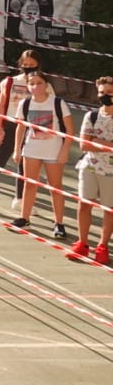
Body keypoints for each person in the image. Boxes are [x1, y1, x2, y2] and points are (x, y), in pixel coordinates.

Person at [0, 50, 47, 212]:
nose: (28, 68)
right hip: (10, 125)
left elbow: (47, 107)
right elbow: (0, 106)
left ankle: (20, 199)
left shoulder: (44, 83)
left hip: (30, 129)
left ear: (38, 65)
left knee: (24, 165)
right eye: (25, 65)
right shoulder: (10, 81)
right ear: (20, 64)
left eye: (32, 65)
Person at [11, 70, 73, 240]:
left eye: (39, 83)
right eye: (32, 83)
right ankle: (25, 218)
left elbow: (69, 130)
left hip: (53, 151)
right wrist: (17, 149)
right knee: (29, 185)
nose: (35, 86)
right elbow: (21, 127)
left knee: (55, 187)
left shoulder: (58, 103)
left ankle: (59, 223)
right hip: (31, 150)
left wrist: (64, 150)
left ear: (46, 85)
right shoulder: (25, 104)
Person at [71, 76, 113, 264]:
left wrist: (98, 143)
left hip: (110, 172)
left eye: (110, 93)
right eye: (102, 93)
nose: (106, 96)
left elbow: (92, 142)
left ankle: (102, 246)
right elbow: (83, 144)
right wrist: (106, 145)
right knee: (84, 205)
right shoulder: (92, 116)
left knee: (109, 209)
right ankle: (82, 243)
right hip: (89, 168)